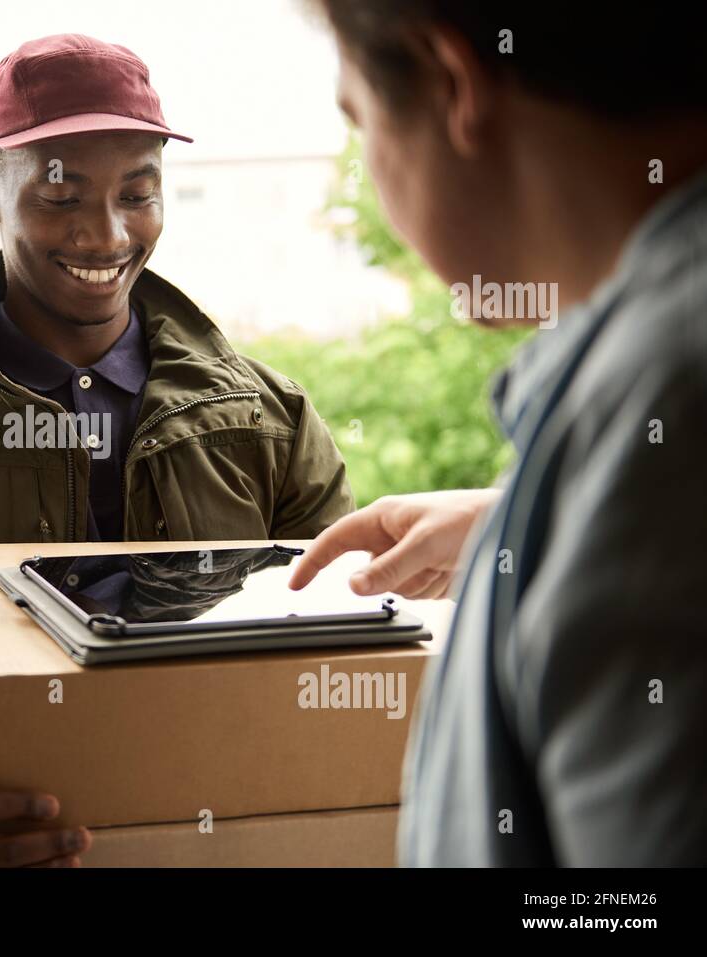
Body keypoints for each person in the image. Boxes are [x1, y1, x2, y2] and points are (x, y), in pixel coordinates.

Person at [0, 33, 354, 868]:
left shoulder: (272, 423)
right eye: (60, 195)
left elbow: (347, 647)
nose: (106, 233)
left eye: (138, 192)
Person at [290, 3, 707, 865]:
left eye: (358, 120)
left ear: (452, 84)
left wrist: (600, 502)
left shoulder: (662, 404)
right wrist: (526, 520)